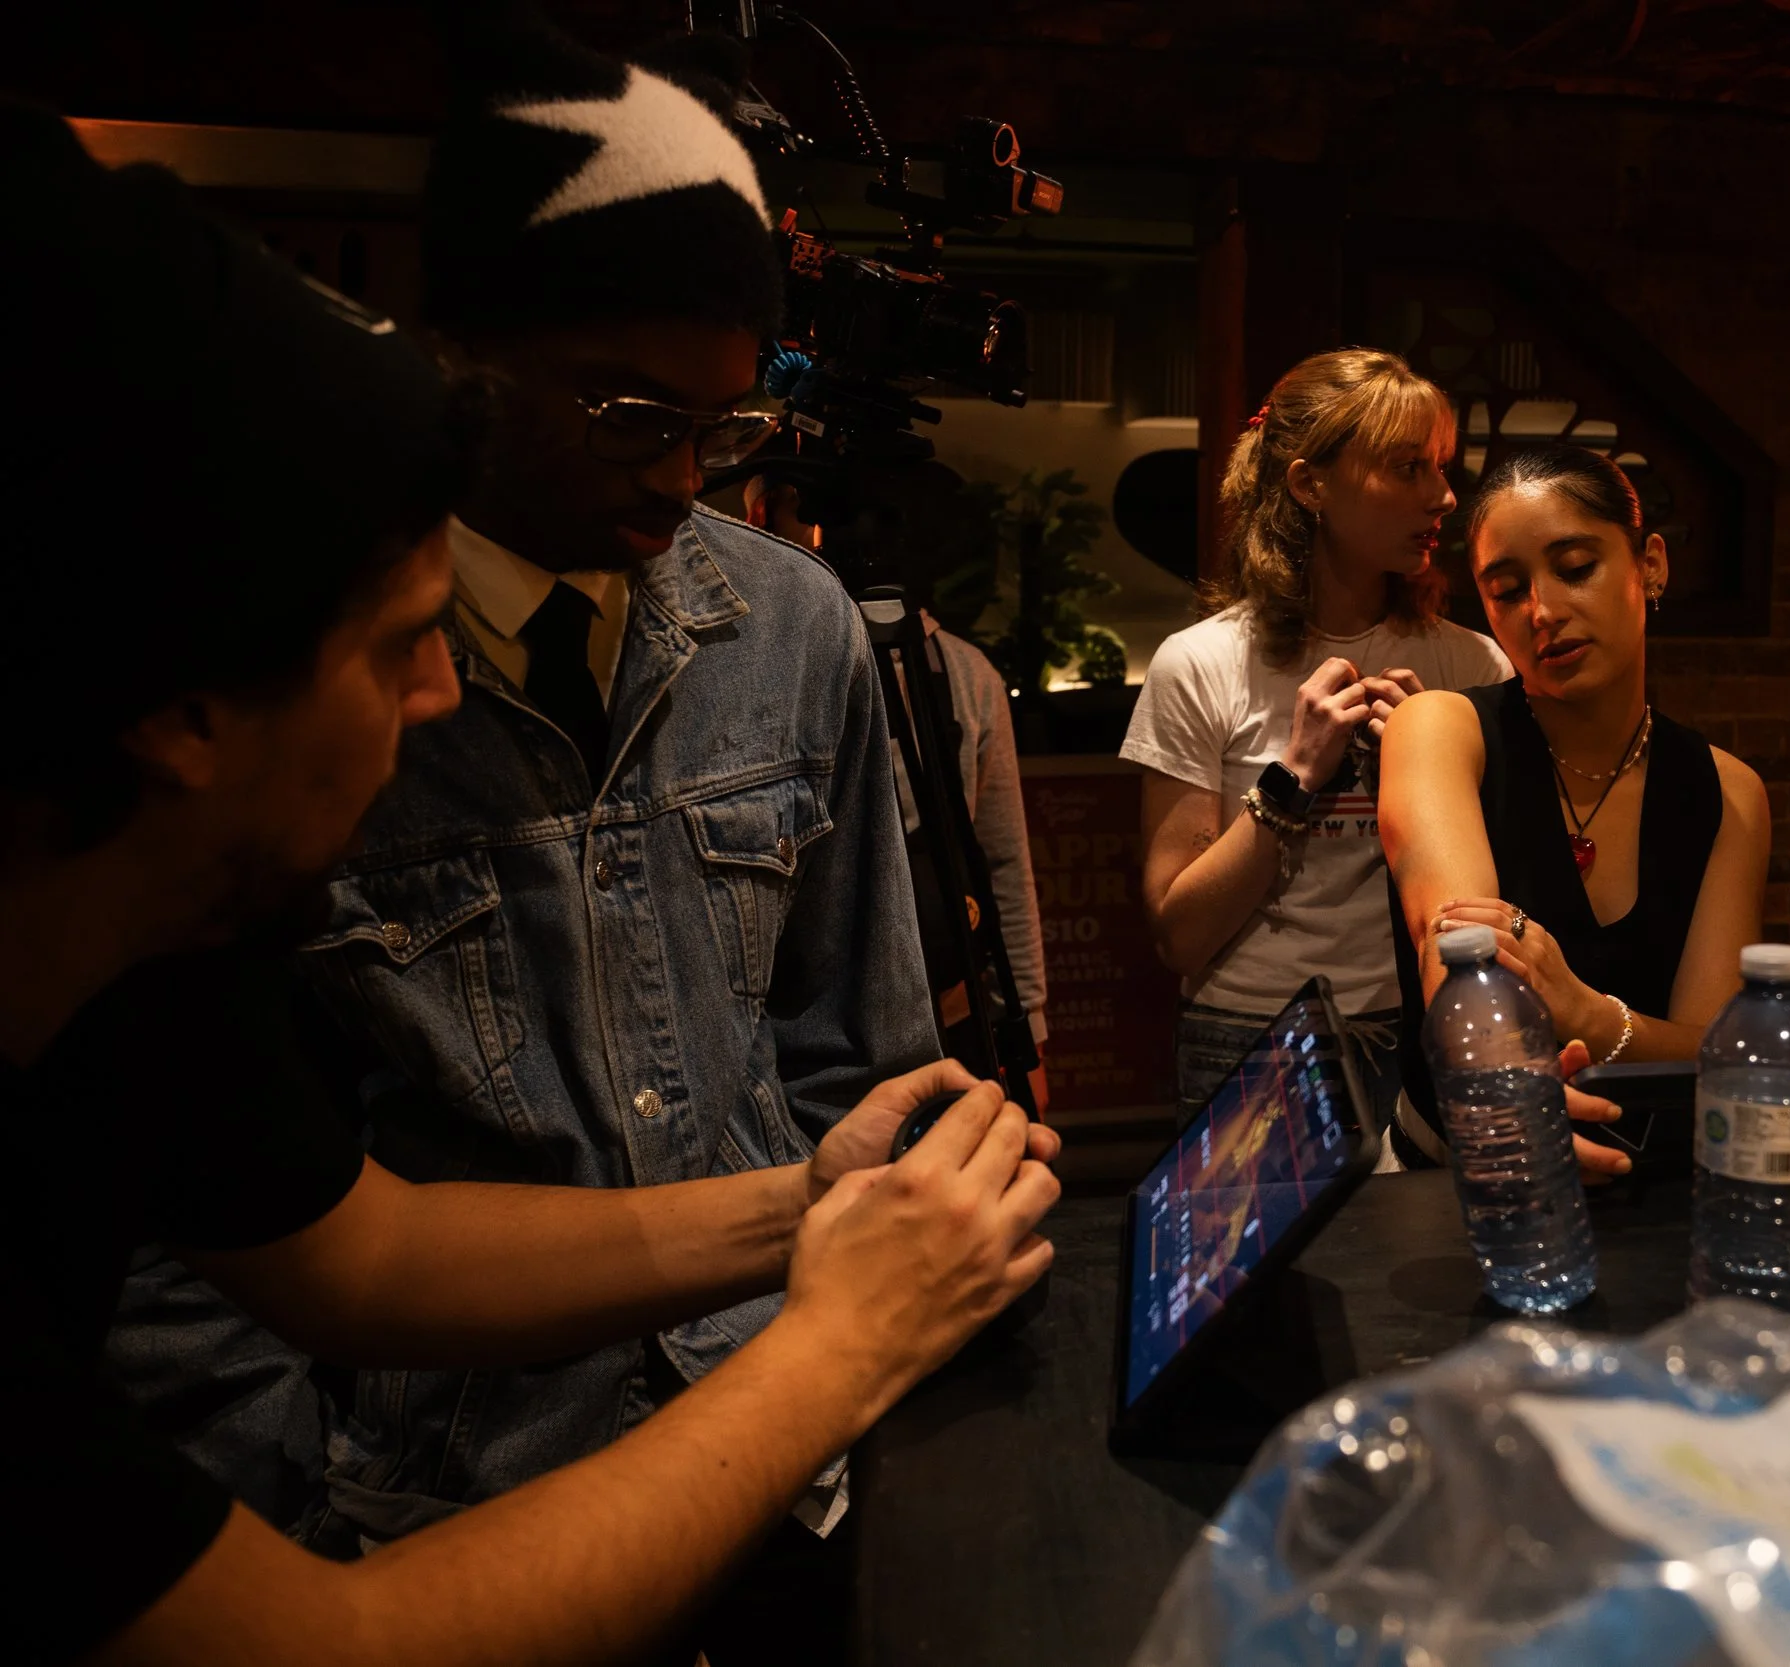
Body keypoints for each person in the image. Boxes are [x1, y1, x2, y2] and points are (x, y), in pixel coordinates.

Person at [2, 107, 1052, 1667]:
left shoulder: (132, 970)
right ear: (180, 704)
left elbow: (365, 1253)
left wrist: (817, 1202)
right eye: (394, 643)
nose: (441, 690)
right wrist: (845, 1338)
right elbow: (328, 1641)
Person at [1123, 348, 1511, 1121]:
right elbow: (1179, 936)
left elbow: (1507, 894)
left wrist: (1427, 765)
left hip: (1420, 1025)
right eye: (1407, 467)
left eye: (1441, 467)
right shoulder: (1200, 663)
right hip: (1251, 1036)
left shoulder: (1472, 664)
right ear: (1311, 485)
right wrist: (1292, 776)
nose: (1442, 496)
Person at [1379, 444, 1771, 1170]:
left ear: (1650, 564)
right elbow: (1457, 949)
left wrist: (1589, 1013)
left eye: (1576, 567)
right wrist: (1510, 1100)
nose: (1544, 611)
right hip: (1452, 1174)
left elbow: (1713, 1052)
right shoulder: (1441, 729)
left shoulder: (1727, 790)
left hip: (1650, 1177)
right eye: (1507, 590)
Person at [743, 464, 1051, 1113]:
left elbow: (1002, 863)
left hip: (957, 1012)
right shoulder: (756, 669)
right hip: (806, 1037)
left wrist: (1030, 1026)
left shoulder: (964, 674)